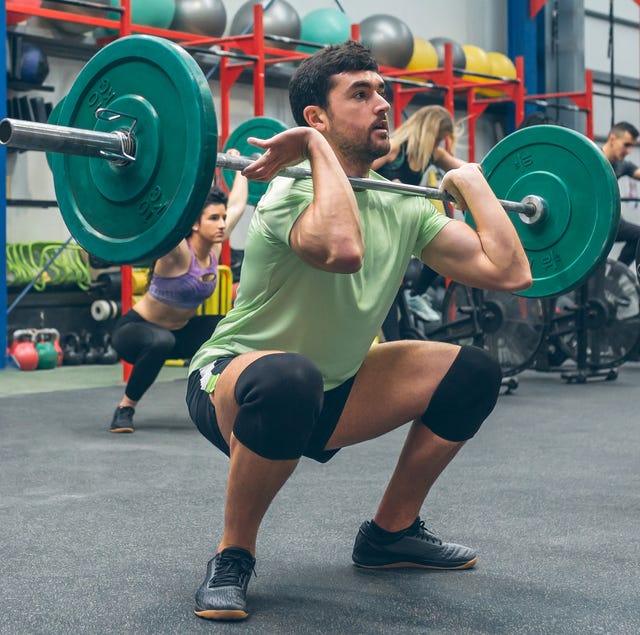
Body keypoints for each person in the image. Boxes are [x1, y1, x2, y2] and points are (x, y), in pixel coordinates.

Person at [185, 40, 532, 621]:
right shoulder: (287, 195)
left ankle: (389, 535)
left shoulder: (403, 204)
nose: (382, 105)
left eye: (382, 92)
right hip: (236, 380)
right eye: (361, 93)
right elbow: (343, 249)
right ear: (315, 118)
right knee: (291, 377)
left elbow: (510, 271)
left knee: (472, 370)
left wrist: (474, 185)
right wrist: (316, 152)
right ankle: (233, 554)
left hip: (334, 387)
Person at [109, 153, 249, 433]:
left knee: (229, 328)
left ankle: (220, 399)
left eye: (222, 218)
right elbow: (157, 215)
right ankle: (125, 408)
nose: (222, 224)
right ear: (195, 224)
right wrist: (137, 170)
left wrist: (242, 167)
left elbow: (237, 205)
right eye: (213, 218)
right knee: (160, 341)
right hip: (135, 333)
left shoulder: (215, 249)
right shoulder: (177, 253)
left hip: (178, 334)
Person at [371, 105, 466, 339]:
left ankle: (416, 294)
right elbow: (356, 174)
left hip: (404, 220)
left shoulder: (432, 154)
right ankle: (393, 346)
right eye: (438, 139)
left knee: (447, 250)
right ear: (429, 132)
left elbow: (469, 171)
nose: (439, 145)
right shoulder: (394, 149)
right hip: (379, 222)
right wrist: (389, 186)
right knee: (388, 286)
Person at [601, 121, 640, 268]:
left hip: (612, 222)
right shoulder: (593, 158)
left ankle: (616, 276)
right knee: (597, 267)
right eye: (626, 145)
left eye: (632, 146)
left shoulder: (622, 165)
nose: (629, 150)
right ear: (612, 139)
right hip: (593, 222)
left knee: (638, 235)